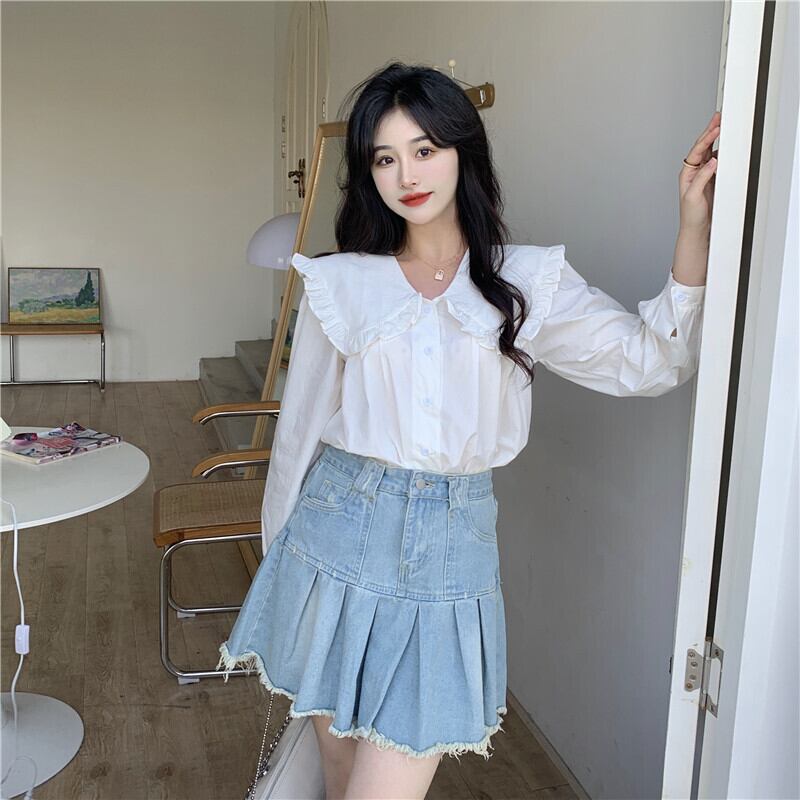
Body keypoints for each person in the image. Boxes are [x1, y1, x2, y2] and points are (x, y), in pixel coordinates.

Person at [218, 62, 719, 799]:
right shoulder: (343, 283)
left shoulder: (525, 282)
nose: (406, 175)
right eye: (384, 158)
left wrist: (694, 224)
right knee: (336, 773)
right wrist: (277, 565)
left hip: (451, 554)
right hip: (333, 537)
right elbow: (298, 438)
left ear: (463, 150)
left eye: (424, 149)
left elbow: (653, 361)